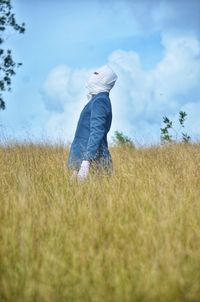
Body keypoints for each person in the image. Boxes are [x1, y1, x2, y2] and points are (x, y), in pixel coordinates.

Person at [67, 65, 118, 181]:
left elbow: (97, 132)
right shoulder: (96, 99)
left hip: (92, 162)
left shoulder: (100, 101)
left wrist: (86, 163)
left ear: (104, 79)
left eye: (96, 74)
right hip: (83, 161)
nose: (92, 77)